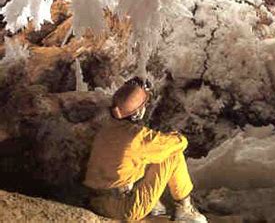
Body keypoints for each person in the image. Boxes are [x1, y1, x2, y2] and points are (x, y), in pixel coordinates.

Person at [84, 77, 207, 222]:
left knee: (142, 158)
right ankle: (185, 209)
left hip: (96, 202)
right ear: (137, 113)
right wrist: (177, 136)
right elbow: (178, 144)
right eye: (143, 105)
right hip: (125, 208)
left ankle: (154, 204)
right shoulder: (136, 137)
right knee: (172, 155)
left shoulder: (105, 130)